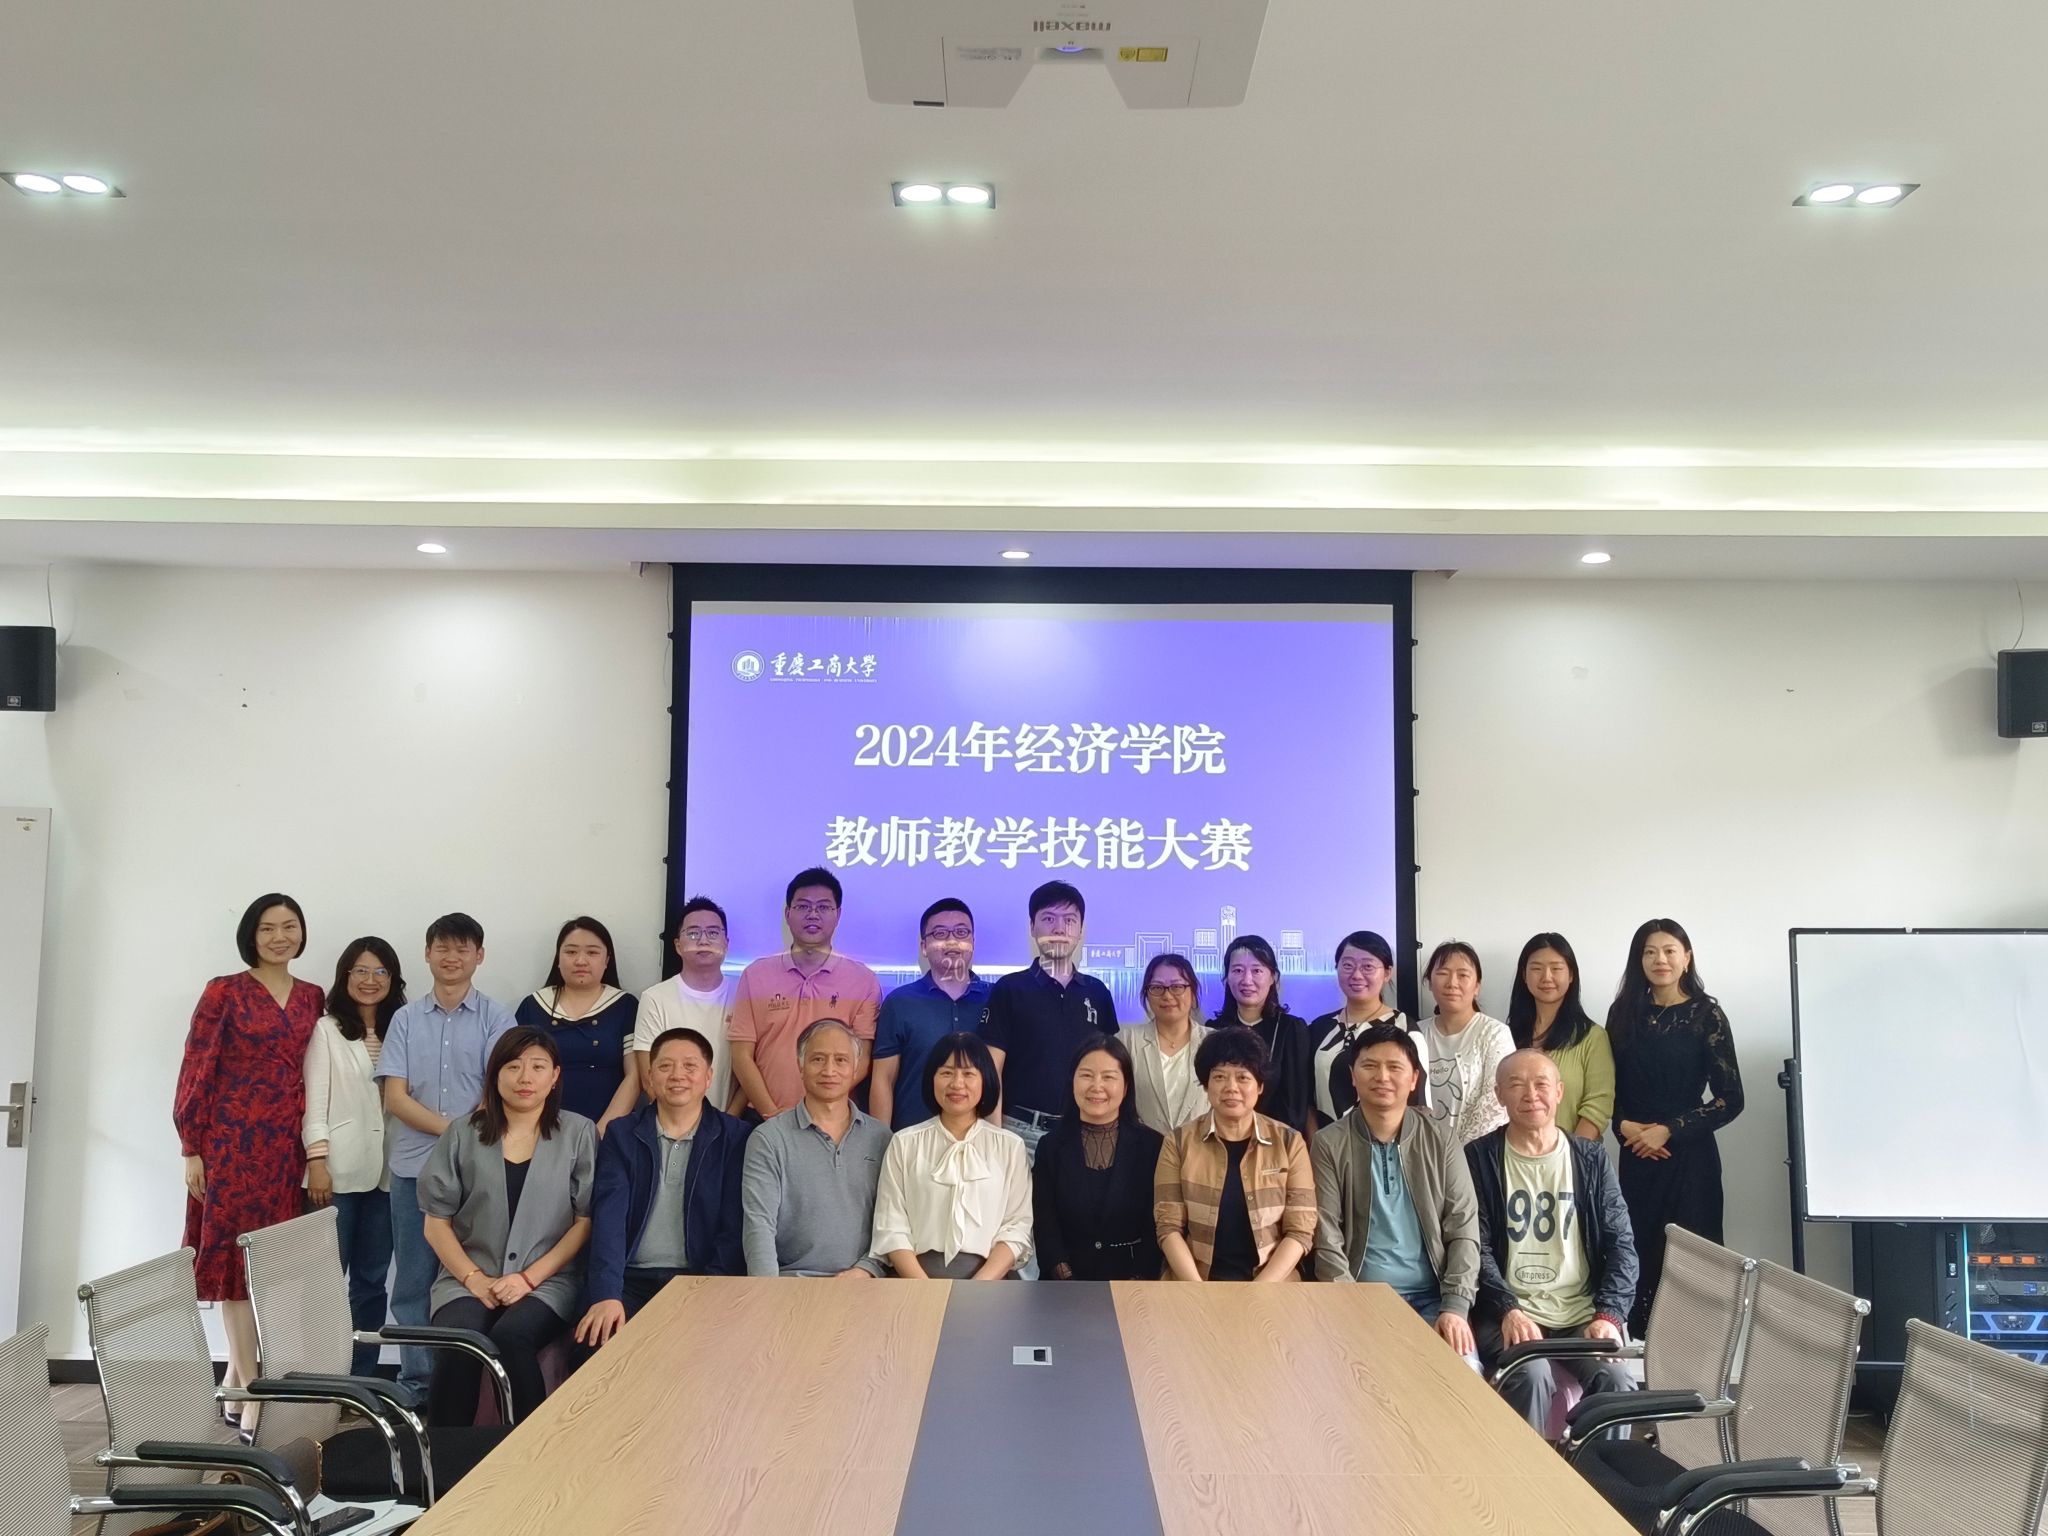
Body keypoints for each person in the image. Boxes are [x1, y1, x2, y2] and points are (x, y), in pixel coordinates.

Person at [174, 894, 324, 1423]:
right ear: (251, 936)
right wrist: (191, 1147)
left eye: (289, 926)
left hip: (285, 1148)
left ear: (302, 933)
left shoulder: (313, 997)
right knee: (235, 1265)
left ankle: (236, 1383)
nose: (280, 937)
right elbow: (197, 1067)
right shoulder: (225, 991)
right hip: (231, 1145)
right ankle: (253, 1382)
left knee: (270, 1265)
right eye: (268, 928)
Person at [418, 1026, 595, 1426]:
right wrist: (474, 1279)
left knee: (512, 1338)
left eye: (538, 1067)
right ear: (495, 1074)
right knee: (461, 1342)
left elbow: (584, 1223)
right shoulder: (463, 1133)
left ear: (555, 1076)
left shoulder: (579, 1133)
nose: (525, 1077)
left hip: (549, 1281)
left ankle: (531, 1448)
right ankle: (446, 1453)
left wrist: (529, 1279)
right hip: (467, 1277)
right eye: (513, 1066)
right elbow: (436, 1223)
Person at [376, 913, 518, 1403]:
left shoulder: (498, 1019)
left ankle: (464, 1391)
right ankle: (418, 1386)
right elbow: (395, 1097)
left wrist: (460, 1139)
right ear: (427, 954)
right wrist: (454, 1131)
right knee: (413, 1282)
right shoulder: (404, 1020)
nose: (451, 957)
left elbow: (503, 1091)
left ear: (479, 955)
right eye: (442, 948)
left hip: (480, 1167)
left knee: (474, 1277)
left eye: (462, 949)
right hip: (412, 1168)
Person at [1465, 1049, 1638, 1431]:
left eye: (1541, 1084)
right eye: (1516, 1085)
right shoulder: (1479, 1158)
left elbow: (1621, 1245)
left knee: (1618, 1381)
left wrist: (1609, 1315)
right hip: (1509, 1311)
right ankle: (1522, 1469)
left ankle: (1600, 1469)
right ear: (1499, 1095)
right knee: (1531, 1375)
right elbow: (1475, 1246)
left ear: (1559, 1091)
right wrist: (1508, 1308)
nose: (1531, 1095)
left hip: (1580, 1312)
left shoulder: (1590, 1159)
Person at [1606, 918, 1744, 1335]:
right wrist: (1623, 1126)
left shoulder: (1707, 1014)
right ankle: (1639, 1359)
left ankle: (1696, 1359)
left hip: (1690, 1161)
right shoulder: (1623, 1013)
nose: (1659, 960)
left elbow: (1731, 1099)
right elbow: (1608, 1087)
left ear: (1687, 957)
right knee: (1637, 1254)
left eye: (1669, 951)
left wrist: (1668, 1130)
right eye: (1649, 952)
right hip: (1637, 1156)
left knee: (1694, 1264)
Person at [576, 1028, 752, 1352]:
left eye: (690, 1066)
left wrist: (708, 1288)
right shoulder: (622, 1134)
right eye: (665, 1066)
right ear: (650, 1077)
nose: (677, 1075)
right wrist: (607, 1294)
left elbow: (733, 1230)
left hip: (699, 1280)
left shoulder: (735, 1136)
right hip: (630, 1281)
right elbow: (609, 1220)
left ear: (708, 1077)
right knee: (596, 1347)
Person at [1311, 1024, 1482, 1356]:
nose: (1382, 1077)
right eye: (1370, 1066)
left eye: (1394, 1067)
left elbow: (1463, 1226)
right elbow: (1325, 1234)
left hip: (1434, 1298)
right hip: (1361, 1298)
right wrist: (1348, 1301)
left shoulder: (1441, 1139)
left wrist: (1455, 1306)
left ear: (1414, 1079)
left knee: (1463, 1375)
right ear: (1353, 1076)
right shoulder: (1329, 1143)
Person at [304, 936, 405, 1375]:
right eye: (360, 971)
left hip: (388, 1173)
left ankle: (361, 1378)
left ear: (393, 979)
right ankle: (322, 1377)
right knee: (324, 1282)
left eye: (380, 971)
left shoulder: (403, 1028)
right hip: (337, 1172)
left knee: (371, 1280)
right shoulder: (327, 1029)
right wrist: (316, 1160)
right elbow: (315, 1100)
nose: (370, 980)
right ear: (345, 976)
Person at [1155, 1027, 1316, 1282]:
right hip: (1195, 1281)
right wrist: (1199, 1291)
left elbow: (1300, 1230)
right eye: (1219, 1077)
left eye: (1243, 1077)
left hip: (1272, 1284)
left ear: (1260, 1086)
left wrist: (1258, 1291)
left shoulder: (1289, 1142)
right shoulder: (1177, 1142)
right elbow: (1168, 1226)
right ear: (1206, 1085)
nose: (1231, 1087)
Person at [870, 1034, 1032, 1279]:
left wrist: (979, 1286)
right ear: (931, 1079)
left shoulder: (1009, 1146)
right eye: (946, 1073)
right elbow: (891, 1224)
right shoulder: (904, 1142)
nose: (957, 1083)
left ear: (986, 1080)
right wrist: (924, 1289)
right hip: (915, 1279)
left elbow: (1017, 1226)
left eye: (968, 1074)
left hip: (992, 1281)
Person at [739, 1019, 891, 1277]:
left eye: (841, 1060)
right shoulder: (769, 1139)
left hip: (863, 1283)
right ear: (800, 1066)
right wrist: (766, 1292)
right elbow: (759, 1226)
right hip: (791, 1283)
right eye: (818, 1059)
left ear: (855, 1068)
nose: (829, 1070)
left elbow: (892, 1222)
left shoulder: (881, 1137)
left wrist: (866, 1270)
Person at [980, 880, 1119, 1162]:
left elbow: (1111, 1070)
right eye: (1048, 919)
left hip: (1084, 1131)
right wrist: (994, 1138)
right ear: (1032, 927)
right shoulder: (1009, 989)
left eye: (1069, 920)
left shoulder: (1097, 992)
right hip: (1020, 1133)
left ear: (1080, 930)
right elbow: (991, 1069)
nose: (1059, 929)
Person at [728, 869, 882, 1120]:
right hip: (763, 1117)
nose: (813, 914)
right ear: (787, 914)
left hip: (833, 1118)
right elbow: (742, 1055)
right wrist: (771, 1114)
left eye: (823, 907)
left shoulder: (864, 980)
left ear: (838, 915)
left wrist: (820, 1107)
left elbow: (862, 1059)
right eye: (803, 906)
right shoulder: (755, 975)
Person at [1033, 1035, 1165, 1281]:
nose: (1096, 1086)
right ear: (1072, 1081)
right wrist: (1067, 1280)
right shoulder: (1050, 1147)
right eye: (1086, 1075)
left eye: (1108, 1077)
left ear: (1126, 1086)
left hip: (1134, 1286)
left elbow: (1155, 1226)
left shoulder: (1152, 1146)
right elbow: (1045, 1226)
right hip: (1063, 1289)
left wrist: (1137, 1282)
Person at [870, 899, 991, 1130]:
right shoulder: (900, 1002)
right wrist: (882, 1140)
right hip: (912, 1137)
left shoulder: (996, 999)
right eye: (940, 933)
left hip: (981, 1138)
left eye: (961, 932)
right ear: (924, 946)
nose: (952, 941)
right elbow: (883, 1080)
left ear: (973, 942)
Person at [515, 917, 641, 1135]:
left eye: (592, 952)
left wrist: (600, 1133)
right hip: (539, 1130)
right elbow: (515, 1071)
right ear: (558, 959)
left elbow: (635, 1076)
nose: (581, 961)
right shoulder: (533, 1005)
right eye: (571, 952)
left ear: (607, 960)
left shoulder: (625, 1006)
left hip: (608, 1131)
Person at [1307, 929, 1426, 1131]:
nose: (1356, 975)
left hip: (1388, 1143)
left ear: (1387, 973)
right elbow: (1308, 1101)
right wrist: (1315, 1143)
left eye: (1368, 967)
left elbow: (1419, 1104)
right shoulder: (1319, 1027)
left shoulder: (1405, 1027)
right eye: (1347, 965)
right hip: (1327, 1143)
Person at [631, 896, 738, 1116]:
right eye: (693, 933)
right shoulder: (655, 998)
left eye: (713, 933)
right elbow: (649, 1078)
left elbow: (752, 1066)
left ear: (726, 943)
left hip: (731, 1123)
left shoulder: (744, 995)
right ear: (678, 945)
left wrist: (727, 1124)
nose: (703, 940)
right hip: (671, 1122)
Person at [1505, 933, 1615, 1141]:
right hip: (1513, 1154)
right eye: (1536, 968)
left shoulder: (1593, 1037)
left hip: (1573, 1154)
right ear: (1524, 975)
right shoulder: (1504, 1036)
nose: (1547, 977)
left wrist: (1570, 1153)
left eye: (1556, 968)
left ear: (1571, 975)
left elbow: (1598, 1104)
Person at [1213, 935, 1315, 1133]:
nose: (1247, 980)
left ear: (1273, 978)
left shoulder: (1291, 1029)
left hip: (1279, 1141)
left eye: (1257, 970)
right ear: (1226, 978)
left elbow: (1298, 1104)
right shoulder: (1214, 1031)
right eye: (1238, 970)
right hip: (1222, 1138)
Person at [1420, 941, 1513, 1145]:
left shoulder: (1495, 1034)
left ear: (1477, 986)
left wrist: (1458, 1153)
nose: (1452, 983)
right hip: (1423, 1152)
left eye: (1462, 975)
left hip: (1477, 1153)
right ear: (1429, 982)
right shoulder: (1415, 1033)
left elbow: (1496, 1102)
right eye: (1443, 973)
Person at [1120, 953, 1211, 1136]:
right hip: (1143, 1148)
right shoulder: (1126, 1041)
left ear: (1193, 992)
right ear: (1147, 994)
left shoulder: (1214, 1042)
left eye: (1177, 987)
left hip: (1202, 1148)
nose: (1167, 995)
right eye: (1157, 987)